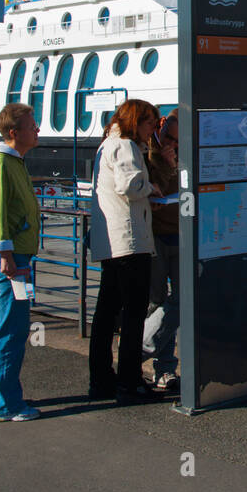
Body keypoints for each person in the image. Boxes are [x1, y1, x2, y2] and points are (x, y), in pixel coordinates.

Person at [88, 99, 161, 401]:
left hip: (111, 243)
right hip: (130, 242)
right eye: (150, 125)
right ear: (137, 121)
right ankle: (129, 381)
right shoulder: (125, 146)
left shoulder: (107, 143)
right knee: (133, 314)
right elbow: (130, 185)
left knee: (106, 314)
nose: (152, 131)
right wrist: (152, 188)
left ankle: (102, 380)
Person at [0, 103, 42, 422]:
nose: (38, 129)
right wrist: (4, 253)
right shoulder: (1, 163)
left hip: (14, 256)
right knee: (12, 331)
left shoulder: (12, 161)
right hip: (12, 259)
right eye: (32, 126)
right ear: (14, 133)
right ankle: (6, 405)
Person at [144, 110, 180, 392]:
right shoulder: (148, 153)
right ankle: (162, 366)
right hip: (156, 233)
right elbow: (153, 190)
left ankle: (157, 360)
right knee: (156, 300)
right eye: (169, 137)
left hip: (182, 232)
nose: (173, 144)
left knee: (182, 299)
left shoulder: (189, 150)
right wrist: (168, 164)